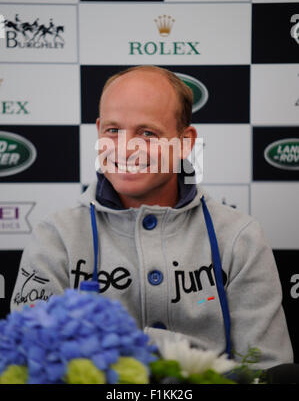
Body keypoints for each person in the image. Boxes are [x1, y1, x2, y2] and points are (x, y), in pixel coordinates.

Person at [10, 65, 293, 369]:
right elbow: (28, 364)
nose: (126, 147)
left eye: (147, 133)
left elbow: (267, 370)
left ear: (185, 142)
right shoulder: (55, 237)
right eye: (113, 130)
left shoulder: (241, 237)